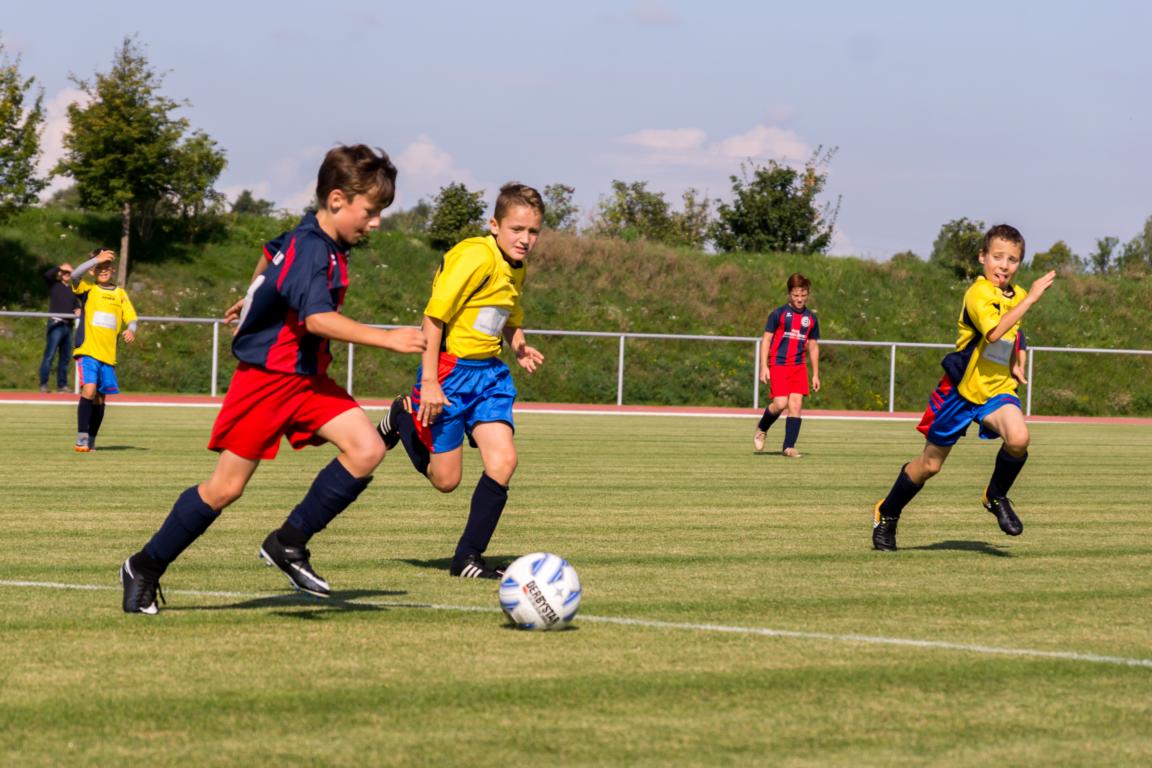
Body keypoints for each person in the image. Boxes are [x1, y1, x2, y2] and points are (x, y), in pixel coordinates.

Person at [118, 145, 426, 614]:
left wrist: (252, 296)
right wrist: (388, 339)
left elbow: (268, 257)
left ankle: (288, 543)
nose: (377, 221)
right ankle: (144, 566)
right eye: (372, 210)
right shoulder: (312, 250)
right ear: (339, 199)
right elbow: (319, 319)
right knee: (225, 489)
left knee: (366, 449)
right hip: (267, 380)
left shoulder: (308, 237)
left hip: (305, 380)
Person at [377, 182, 546, 579]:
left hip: (489, 376)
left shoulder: (515, 265)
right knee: (446, 480)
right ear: (494, 224)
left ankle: (467, 559)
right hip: (449, 374)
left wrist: (518, 345)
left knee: (504, 461)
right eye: (517, 229)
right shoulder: (474, 257)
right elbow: (433, 319)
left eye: (533, 231)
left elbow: (505, 314)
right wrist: (431, 383)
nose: (525, 239)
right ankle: (403, 416)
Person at [871, 224, 1056, 551]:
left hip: (996, 390)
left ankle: (995, 496)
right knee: (930, 465)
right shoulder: (978, 292)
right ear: (982, 257)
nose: (1004, 265)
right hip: (960, 392)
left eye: (1012, 259)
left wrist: (1018, 359)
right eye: (997, 257)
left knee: (1020, 438)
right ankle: (887, 513)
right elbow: (995, 331)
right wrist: (1033, 300)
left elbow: (1015, 331)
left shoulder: (1018, 295)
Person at [70, 249, 138, 451]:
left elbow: (131, 317)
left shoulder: (120, 294)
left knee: (100, 397)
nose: (103, 271)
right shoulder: (88, 289)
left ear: (113, 270)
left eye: (107, 267)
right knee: (88, 389)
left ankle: (91, 439)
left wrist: (131, 329)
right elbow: (74, 275)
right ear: (93, 271)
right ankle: (81, 437)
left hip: (108, 355)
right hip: (88, 350)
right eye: (99, 268)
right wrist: (95, 260)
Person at [753, 273, 820, 457]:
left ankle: (788, 447)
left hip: (799, 365)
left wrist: (815, 374)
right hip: (779, 363)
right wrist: (763, 366)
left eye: (803, 295)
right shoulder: (778, 314)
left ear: (808, 294)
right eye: (796, 295)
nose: (799, 299)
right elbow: (766, 340)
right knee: (781, 403)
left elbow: (813, 346)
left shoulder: (811, 319)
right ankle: (762, 427)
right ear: (790, 294)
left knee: (796, 404)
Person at [39, 262, 80, 393]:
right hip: (56, 324)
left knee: (65, 357)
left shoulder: (73, 289)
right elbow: (46, 275)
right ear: (61, 274)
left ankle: (62, 385)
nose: (67, 275)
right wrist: (60, 268)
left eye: (69, 273)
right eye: (65, 273)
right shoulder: (54, 285)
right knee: (49, 355)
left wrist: (78, 309)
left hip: (68, 326)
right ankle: (43, 383)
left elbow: (76, 305)